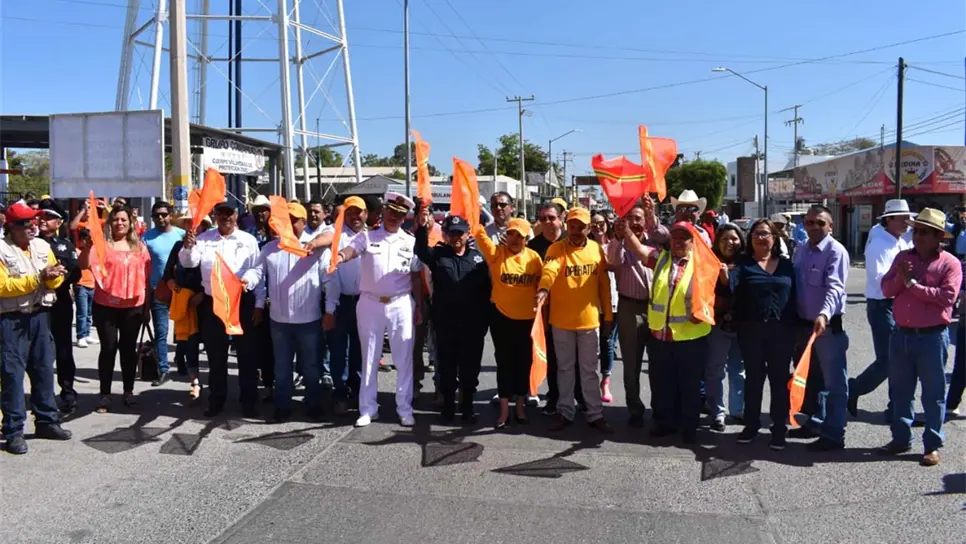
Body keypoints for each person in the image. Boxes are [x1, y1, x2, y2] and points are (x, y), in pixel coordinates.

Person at [332, 192, 425, 428]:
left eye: (400, 214)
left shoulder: (410, 241)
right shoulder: (367, 237)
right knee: (369, 357)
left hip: (400, 302)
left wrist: (419, 306)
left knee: (403, 359)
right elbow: (351, 250)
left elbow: (415, 275)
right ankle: (368, 408)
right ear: (384, 211)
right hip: (370, 302)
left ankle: (404, 408)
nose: (394, 217)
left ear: (405, 218)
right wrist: (340, 257)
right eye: (391, 212)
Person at [879, 208, 962, 467]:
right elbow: (885, 288)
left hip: (931, 337)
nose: (917, 236)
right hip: (902, 334)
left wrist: (912, 284)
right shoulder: (903, 257)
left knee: (933, 394)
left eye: (924, 232)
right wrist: (902, 279)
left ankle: (932, 445)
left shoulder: (949, 263)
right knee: (901, 391)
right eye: (916, 230)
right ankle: (901, 439)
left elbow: (946, 298)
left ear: (939, 236)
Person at [621, 220, 714, 444]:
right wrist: (625, 231)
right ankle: (664, 423)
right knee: (662, 383)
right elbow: (639, 250)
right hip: (660, 336)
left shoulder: (703, 264)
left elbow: (713, 290)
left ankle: (689, 426)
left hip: (690, 337)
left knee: (689, 385)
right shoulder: (661, 258)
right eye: (675, 237)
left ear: (693, 242)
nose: (679, 241)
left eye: (684, 238)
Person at [243, 202, 327, 422]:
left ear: (303, 222)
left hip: (309, 320)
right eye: (286, 220)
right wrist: (247, 281)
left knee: (310, 367)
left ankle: (314, 403)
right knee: (281, 368)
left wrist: (331, 309)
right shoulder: (270, 249)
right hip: (279, 321)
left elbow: (329, 278)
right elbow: (256, 272)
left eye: (294, 221)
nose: (289, 225)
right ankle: (283, 406)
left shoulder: (315, 247)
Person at [0, 201, 71, 455]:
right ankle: (13, 431)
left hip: (41, 316)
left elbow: (56, 276)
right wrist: (39, 278)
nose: (32, 226)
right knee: (12, 376)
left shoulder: (42, 246)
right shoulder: (1, 249)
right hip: (11, 319)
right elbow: (2, 286)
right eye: (25, 223)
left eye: (33, 222)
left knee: (43, 370)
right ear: (11, 226)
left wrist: (55, 277)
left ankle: (46, 421)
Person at [179, 201, 262, 418]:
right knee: (216, 356)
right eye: (220, 214)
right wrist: (188, 246)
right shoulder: (204, 239)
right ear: (214, 216)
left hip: (240, 301)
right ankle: (217, 400)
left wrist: (249, 282)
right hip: (213, 303)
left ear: (236, 215)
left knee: (246, 354)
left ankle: (249, 401)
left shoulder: (248, 240)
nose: (225, 217)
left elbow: (258, 269)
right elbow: (189, 263)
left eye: (229, 213)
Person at [536, 207, 614, 434]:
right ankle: (565, 412)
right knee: (565, 369)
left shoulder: (596, 250)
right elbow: (549, 270)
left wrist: (608, 316)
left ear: (589, 228)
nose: (577, 231)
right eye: (573, 226)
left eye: (582, 227)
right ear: (566, 225)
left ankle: (595, 414)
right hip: (561, 321)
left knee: (589, 371)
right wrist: (543, 290)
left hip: (589, 322)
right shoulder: (555, 249)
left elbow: (604, 287)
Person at [416, 214, 491, 423]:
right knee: (447, 367)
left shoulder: (479, 258)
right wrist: (422, 226)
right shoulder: (438, 255)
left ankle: (467, 407)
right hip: (446, 323)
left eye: (460, 233)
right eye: (451, 233)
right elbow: (420, 251)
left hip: (472, 324)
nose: (456, 237)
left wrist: (484, 321)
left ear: (467, 234)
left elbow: (487, 290)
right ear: (445, 234)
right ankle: (448, 407)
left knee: (470, 368)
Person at [77, 205, 151, 414]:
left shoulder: (140, 247)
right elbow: (83, 265)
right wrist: (87, 247)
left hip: (133, 307)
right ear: (110, 223)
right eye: (115, 219)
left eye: (123, 220)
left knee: (128, 351)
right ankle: (105, 394)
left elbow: (146, 279)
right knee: (108, 350)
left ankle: (128, 392)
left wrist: (147, 308)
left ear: (130, 223)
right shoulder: (102, 246)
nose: (119, 223)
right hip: (105, 307)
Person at [731, 219, 796, 450]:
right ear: (750, 239)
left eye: (765, 233)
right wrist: (722, 275)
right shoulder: (743, 264)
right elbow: (730, 284)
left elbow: (797, 296)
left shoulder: (787, 265)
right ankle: (751, 426)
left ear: (774, 238)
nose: (761, 237)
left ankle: (779, 429)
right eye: (756, 233)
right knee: (754, 382)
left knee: (779, 383)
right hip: (751, 333)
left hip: (782, 334)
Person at [791, 205, 850, 451]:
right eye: (809, 222)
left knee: (835, 383)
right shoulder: (801, 250)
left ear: (830, 226)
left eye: (820, 223)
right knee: (811, 379)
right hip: (803, 326)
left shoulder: (836, 252)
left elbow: (835, 287)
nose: (814, 227)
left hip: (825, 329)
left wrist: (824, 314)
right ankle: (814, 422)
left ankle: (835, 433)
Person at [473, 216, 542, 428]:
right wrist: (474, 209)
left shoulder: (534, 259)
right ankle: (503, 410)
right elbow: (478, 232)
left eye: (520, 236)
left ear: (526, 239)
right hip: (501, 317)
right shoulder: (496, 254)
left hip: (527, 320)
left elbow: (542, 284)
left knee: (523, 364)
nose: (515, 239)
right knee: (504, 363)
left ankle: (520, 406)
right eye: (511, 234)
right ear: (506, 235)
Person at [849, 199, 914, 419]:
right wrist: (905, 278)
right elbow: (880, 280)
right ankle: (854, 389)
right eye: (902, 218)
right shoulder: (879, 245)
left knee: (899, 358)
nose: (907, 222)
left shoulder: (900, 241)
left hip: (896, 303)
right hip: (881, 304)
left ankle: (895, 407)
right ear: (889, 219)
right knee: (888, 359)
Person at [607, 198, 667, 427]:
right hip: (629, 308)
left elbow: (664, 234)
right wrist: (618, 236)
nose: (634, 223)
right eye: (629, 218)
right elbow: (612, 260)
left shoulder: (656, 242)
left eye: (638, 218)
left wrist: (652, 216)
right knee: (631, 363)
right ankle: (634, 408)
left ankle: (660, 408)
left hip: (655, 309)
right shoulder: (620, 246)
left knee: (657, 363)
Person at [528, 201, 578, 415]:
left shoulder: (574, 240)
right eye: (543, 219)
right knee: (552, 357)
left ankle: (580, 397)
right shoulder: (532, 246)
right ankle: (554, 396)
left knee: (576, 359)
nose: (547, 222)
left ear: (562, 218)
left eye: (551, 217)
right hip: (545, 311)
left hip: (573, 308)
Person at [322, 196, 368, 416]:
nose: (355, 216)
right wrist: (330, 309)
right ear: (344, 215)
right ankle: (340, 393)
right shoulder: (336, 236)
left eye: (359, 212)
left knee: (361, 351)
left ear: (366, 214)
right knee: (339, 351)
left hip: (366, 302)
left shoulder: (372, 236)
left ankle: (359, 393)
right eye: (350, 212)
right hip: (342, 302)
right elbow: (331, 275)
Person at [37, 199, 81, 413]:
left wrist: (58, 280)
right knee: (38, 353)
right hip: (34, 304)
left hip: (59, 301)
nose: (42, 220)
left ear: (58, 222)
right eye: (41, 216)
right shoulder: (27, 243)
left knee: (63, 349)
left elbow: (76, 272)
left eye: (48, 217)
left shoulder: (64, 245)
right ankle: (41, 395)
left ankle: (67, 392)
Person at [163, 213, 210, 399]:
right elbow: (167, 273)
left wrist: (202, 294)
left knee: (209, 341)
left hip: (206, 299)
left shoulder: (208, 245)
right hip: (184, 301)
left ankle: (214, 380)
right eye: (189, 222)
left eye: (197, 223)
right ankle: (195, 381)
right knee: (189, 342)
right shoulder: (177, 246)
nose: (193, 226)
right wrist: (172, 285)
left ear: (204, 226)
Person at [705, 222, 745, 432]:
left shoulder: (747, 262)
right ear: (717, 242)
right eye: (724, 239)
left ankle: (738, 411)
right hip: (717, 324)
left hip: (742, 325)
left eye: (734, 238)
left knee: (739, 371)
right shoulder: (709, 262)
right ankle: (717, 413)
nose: (730, 243)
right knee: (715, 370)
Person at [142, 200, 186, 386]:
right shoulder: (146, 238)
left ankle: (182, 360)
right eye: (156, 215)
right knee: (161, 332)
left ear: (170, 215)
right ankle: (163, 369)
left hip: (180, 290)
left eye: (164, 214)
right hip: (157, 291)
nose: (160, 218)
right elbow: (143, 268)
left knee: (183, 331)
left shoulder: (182, 235)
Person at [591, 211, 618, 403]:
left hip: (613, 303)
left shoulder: (614, 246)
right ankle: (590, 383)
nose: (598, 227)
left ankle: (605, 382)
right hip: (590, 304)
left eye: (601, 223)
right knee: (591, 345)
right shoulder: (587, 247)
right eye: (593, 224)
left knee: (607, 343)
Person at [74, 228, 96, 348]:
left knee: (89, 312)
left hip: (92, 285)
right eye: (85, 240)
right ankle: (81, 336)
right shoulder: (77, 252)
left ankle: (87, 333)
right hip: (81, 285)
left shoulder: (93, 252)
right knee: (82, 312)